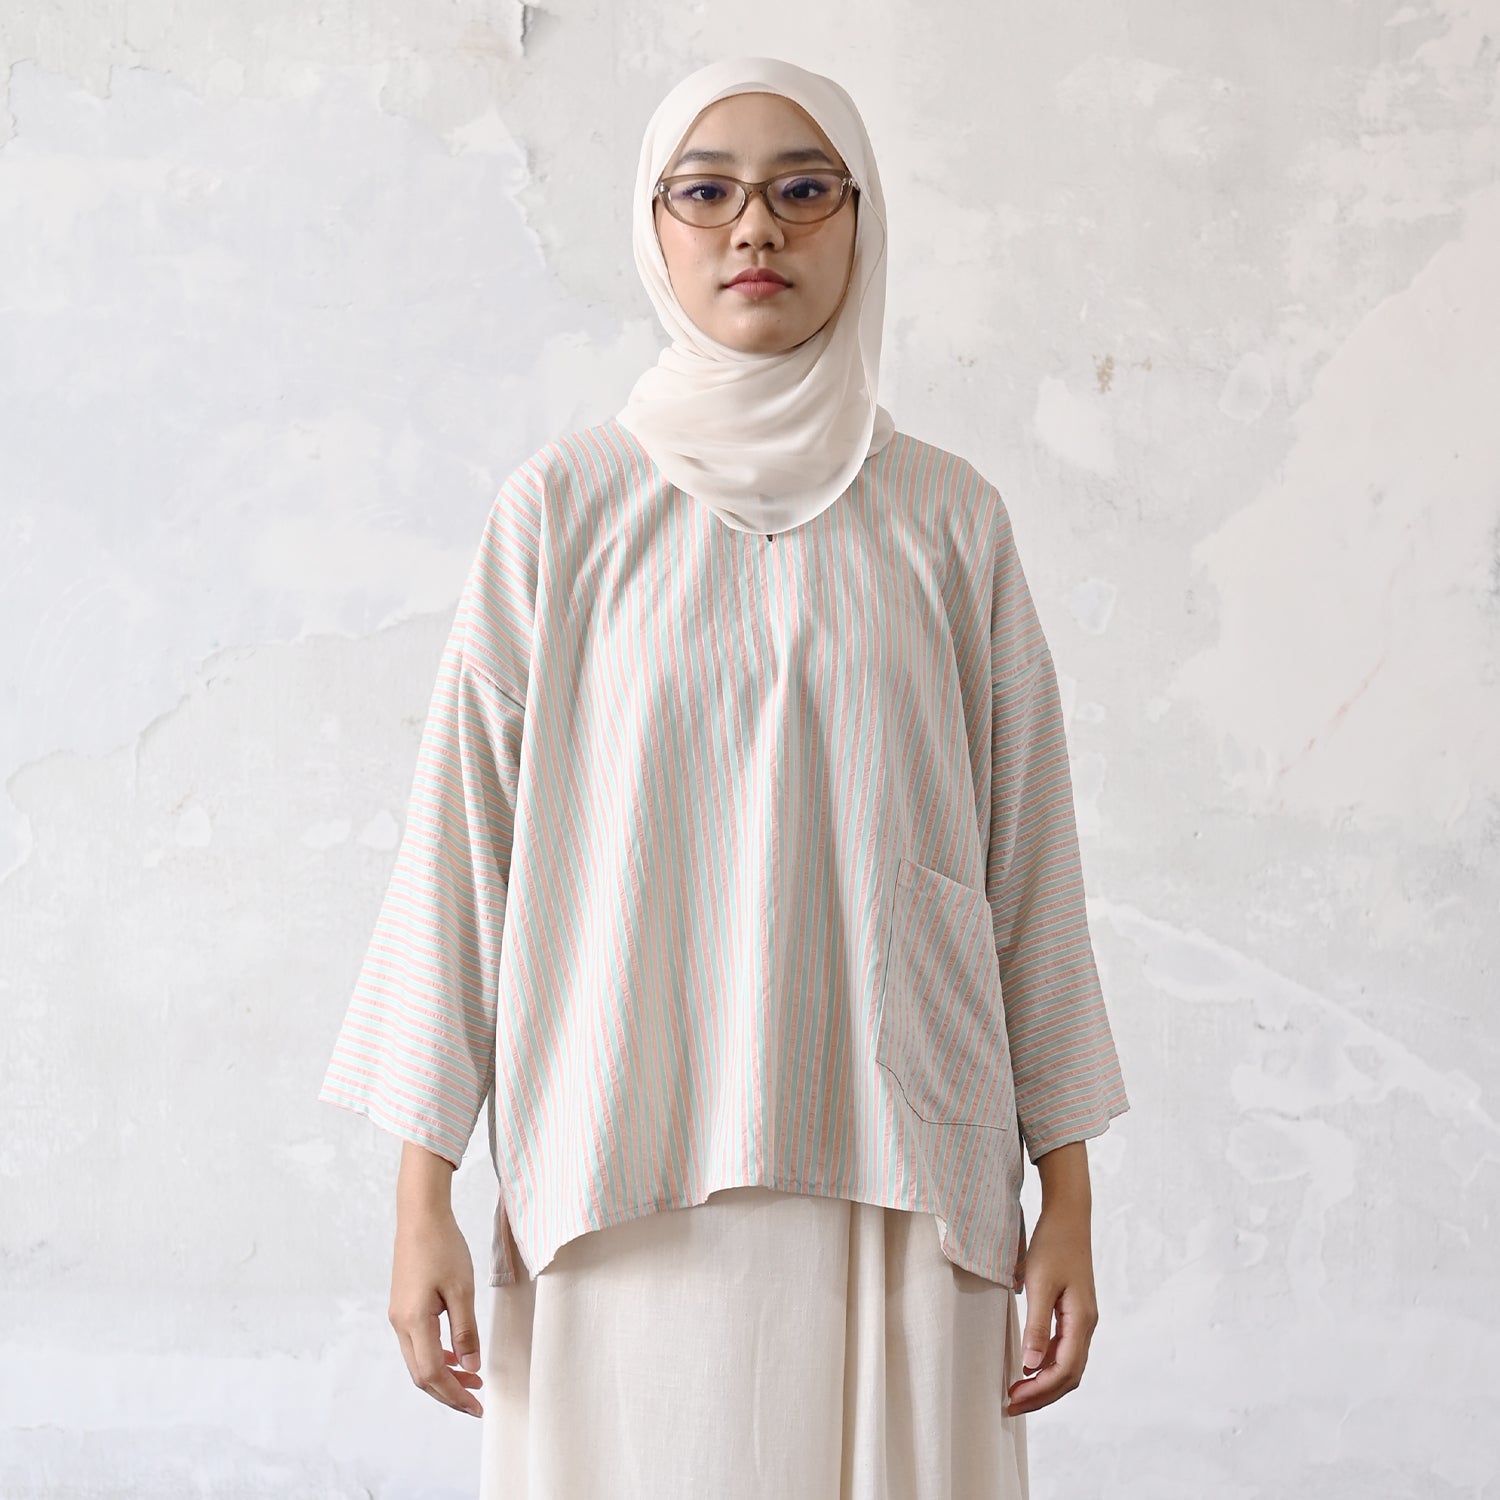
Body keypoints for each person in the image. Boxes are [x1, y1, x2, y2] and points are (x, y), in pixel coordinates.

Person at [317, 55, 1130, 1500]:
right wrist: (419, 1192)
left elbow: (1029, 866)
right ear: (655, 227)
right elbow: (460, 851)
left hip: (910, 1174)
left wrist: (1065, 1190)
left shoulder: (951, 520)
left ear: (861, 222)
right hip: (615, 1163)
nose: (756, 227)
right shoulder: (564, 512)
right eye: (706, 192)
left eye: (803, 189)